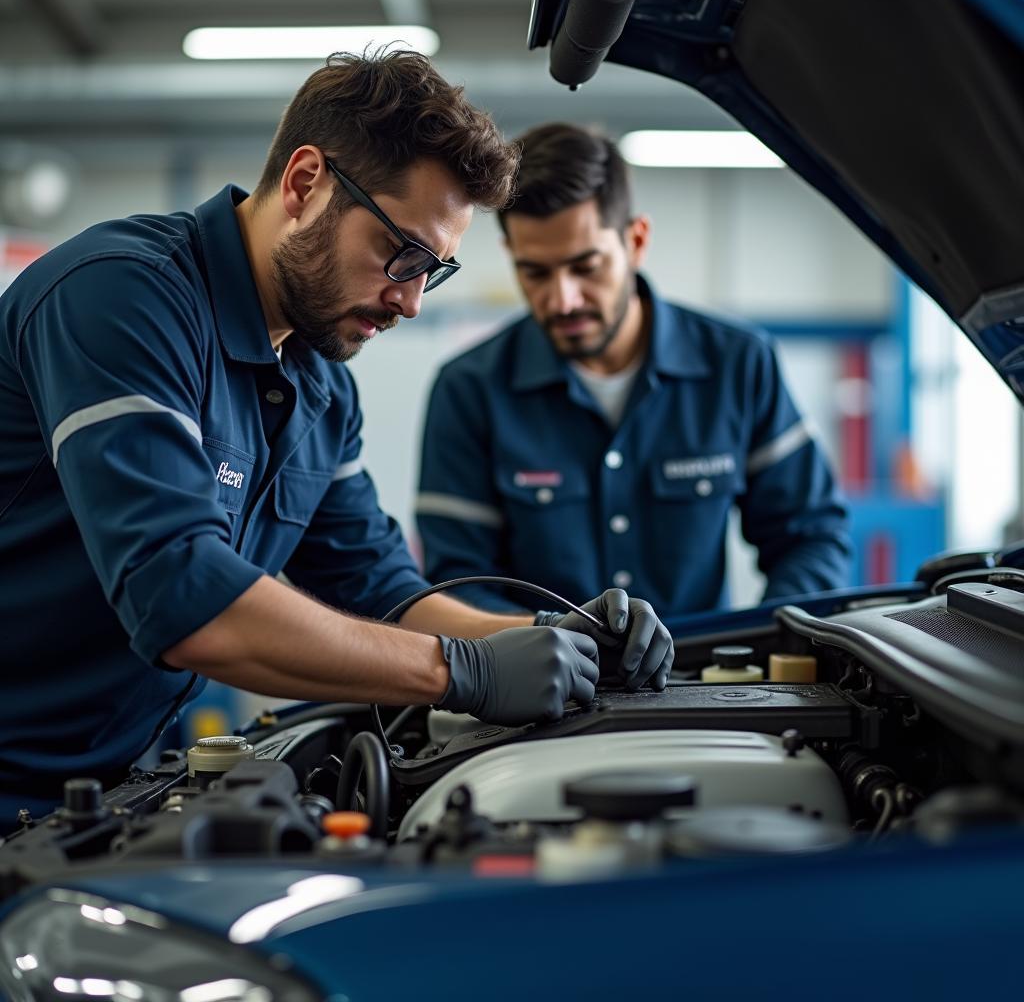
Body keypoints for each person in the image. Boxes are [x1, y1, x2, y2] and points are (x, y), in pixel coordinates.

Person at [0, 55, 673, 832]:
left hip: (104, 791)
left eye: (436, 270)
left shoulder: (320, 382)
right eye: (404, 255)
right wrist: (463, 671)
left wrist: (555, 640)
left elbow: (381, 589)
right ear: (305, 183)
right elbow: (182, 598)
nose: (414, 301)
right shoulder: (120, 297)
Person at [417, 122, 851, 622]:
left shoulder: (738, 365)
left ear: (636, 241)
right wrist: (550, 638)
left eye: (586, 267)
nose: (563, 299)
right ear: (511, 256)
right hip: (538, 688)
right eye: (535, 272)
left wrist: (763, 646)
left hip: (704, 687)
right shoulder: (469, 390)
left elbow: (811, 536)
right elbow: (457, 581)